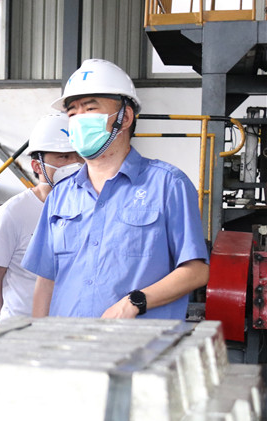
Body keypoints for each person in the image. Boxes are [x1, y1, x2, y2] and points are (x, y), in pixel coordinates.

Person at [22, 59, 209, 319]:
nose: (78, 119)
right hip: (68, 340)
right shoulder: (61, 195)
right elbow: (47, 280)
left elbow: (196, 270)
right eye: (72, 113)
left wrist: (135, 302)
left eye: (90, 109)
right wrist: (37, 335)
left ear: (125, 117)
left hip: (140, 342)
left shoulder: (168, 185)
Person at [0, 113, 82, 322]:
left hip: (68, 327)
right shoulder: (13, 213)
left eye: (78, 156)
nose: (75, 164)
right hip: (22, 327)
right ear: (37, 166)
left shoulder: (88, 208)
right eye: (63, 157)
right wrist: (7, 325)